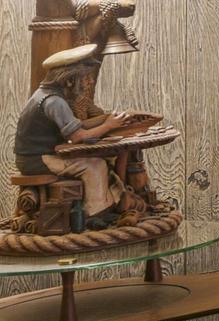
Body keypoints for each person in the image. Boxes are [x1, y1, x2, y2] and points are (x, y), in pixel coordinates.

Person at [14, 45, 131, 229]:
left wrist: (105, 120)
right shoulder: (54, 102)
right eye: (84, 78)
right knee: (94, 165)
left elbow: (78, 124)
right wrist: (109, 126)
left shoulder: (45, 95)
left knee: (100, 160)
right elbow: (77, 136)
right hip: (37, 159)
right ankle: (94, 215)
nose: (88, 82)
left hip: (37, 156)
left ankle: (112, 206)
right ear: (69, 80)